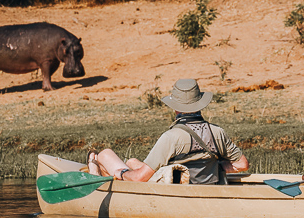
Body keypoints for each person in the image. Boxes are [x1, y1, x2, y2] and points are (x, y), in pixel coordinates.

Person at [88, 78, 249, 184]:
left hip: (173, 190)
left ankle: (94, 166)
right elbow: (242, 164)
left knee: (106, 154)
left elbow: (139, 178)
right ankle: (100, 166)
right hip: (205, 190)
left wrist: (122, 173)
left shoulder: (171, 137)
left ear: (175, 109)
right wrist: (214, 168)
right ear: (199, 104)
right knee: (132, 162)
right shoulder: (217, 132)